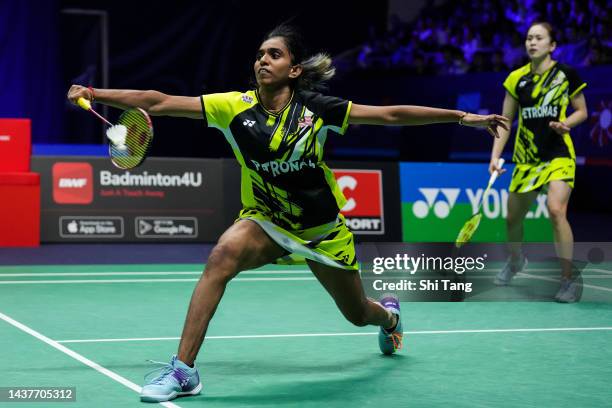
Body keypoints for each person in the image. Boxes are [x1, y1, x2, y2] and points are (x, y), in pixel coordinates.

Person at [67, 24, 509, 403]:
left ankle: (389, 316)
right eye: (259, 54)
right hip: (264, 219)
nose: (262, 60)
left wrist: (462, 117)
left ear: (294, 70)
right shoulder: (233, 108)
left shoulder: (317, 110)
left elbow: (391, 115)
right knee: (222, 256)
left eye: (274, 54)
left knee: (357, 313)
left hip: (321, 231)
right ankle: (184, 371)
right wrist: (94, 93)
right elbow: (157, 101)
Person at [489, 22, 588, 302]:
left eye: (539, 38)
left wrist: (566, 123)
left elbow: (582, 111)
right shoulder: (516, 79)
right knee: (512, 219)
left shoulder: (566, 74)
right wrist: (495, 156)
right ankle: (516, 259)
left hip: (558, 154)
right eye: (529, 38)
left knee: (556, 210)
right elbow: (505, 123)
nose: (532, 42)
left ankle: (568, 279)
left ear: (552, 45)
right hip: (526, 159)